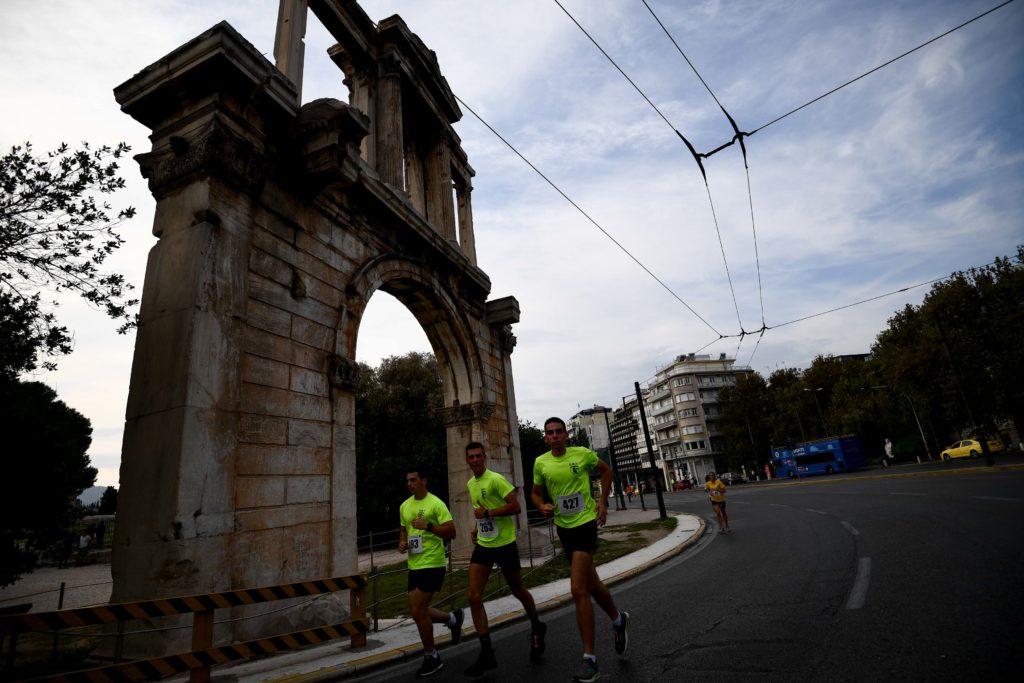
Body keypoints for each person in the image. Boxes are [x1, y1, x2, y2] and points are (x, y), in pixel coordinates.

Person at [531, 417, 630, 683]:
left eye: (559, 432)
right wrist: (541, 507)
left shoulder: (583, 454)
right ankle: (619, 620)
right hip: (564, 528)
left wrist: (603, 502)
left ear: (566, 435)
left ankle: (590, 661)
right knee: (593, 584)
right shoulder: (541, 462)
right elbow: (535, 493)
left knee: (577, 589)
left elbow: (607, 471)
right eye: (550, 433)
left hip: (586, 523)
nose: (555, 436)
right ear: (545, 438)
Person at [463, 442, 546, 676]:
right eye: (471, 457)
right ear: (467, 460)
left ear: (484, 457)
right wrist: (478, 527)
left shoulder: (496, 479)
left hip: (505, 545)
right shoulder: (470, 483)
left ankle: (537, 625)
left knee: (518, 590)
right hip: (485, 545)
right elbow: (480, 510)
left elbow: (516, 507)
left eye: (479, 456)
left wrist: (489, 513)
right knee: (473, 595)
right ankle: (487, 652)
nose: (475, 460)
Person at [398, 467, 465, 678]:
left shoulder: (436, 503)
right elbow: (404, 530)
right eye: (408, 480)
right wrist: (402, 543)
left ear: (424, 481)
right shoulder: (404, 506)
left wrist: (429, 526)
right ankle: (453, 619)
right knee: (418, 611)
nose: (410, 484)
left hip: (433, 563)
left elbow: (452, 532)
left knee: (418, 611)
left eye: (414, 480)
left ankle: (432, 656)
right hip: (414, 564)